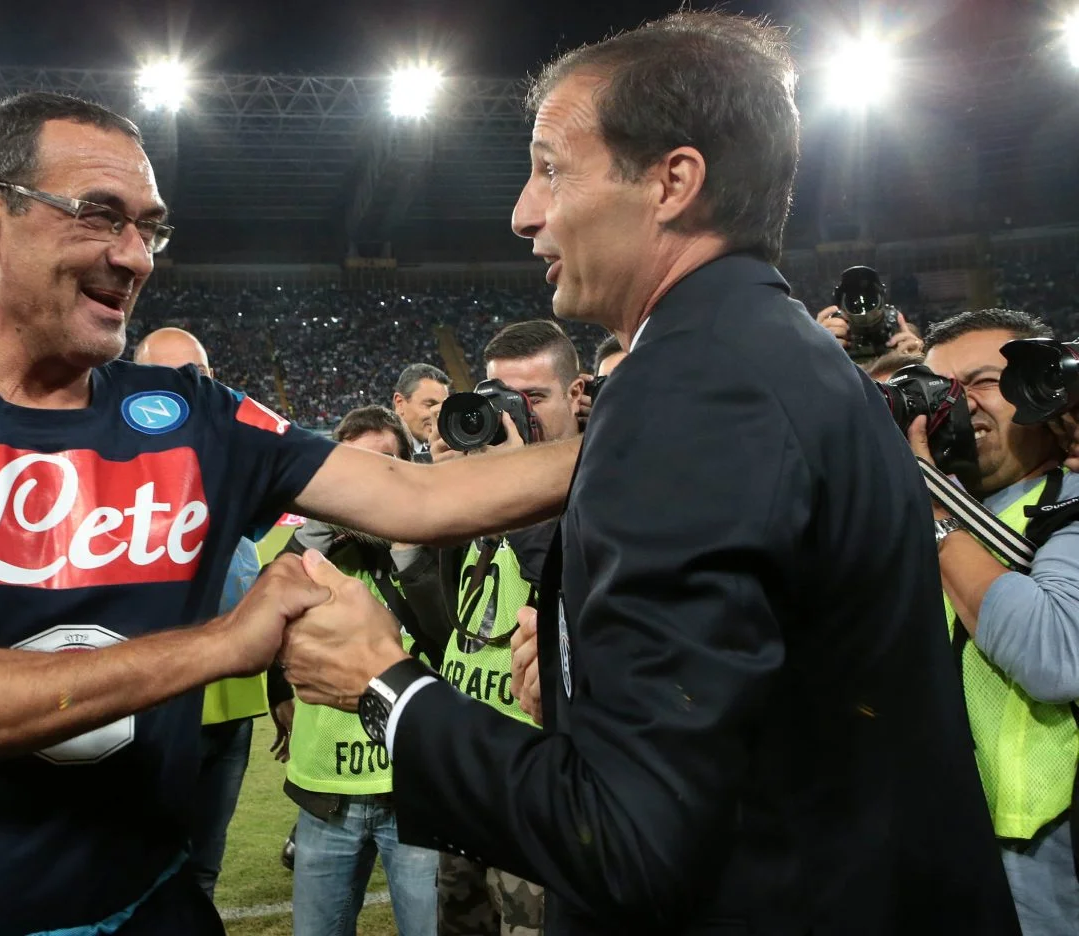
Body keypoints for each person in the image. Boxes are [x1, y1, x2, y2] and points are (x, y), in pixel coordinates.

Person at [278, 12, 1020, 936]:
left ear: (673, 181)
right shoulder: (780, 355)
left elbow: (629, 839)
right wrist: (583, 682)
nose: (523, 212)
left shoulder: (695, 389)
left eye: (551, 168)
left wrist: (384, 684)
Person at [0, 91, 577, 936]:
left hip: (146, 905)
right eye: (101, 215)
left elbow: (419, 496)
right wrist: (224, 644)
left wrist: (651, 432)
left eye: (150, 229)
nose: (135, 257)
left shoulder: (197, 417)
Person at [907, 309, 1079, 934]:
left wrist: (930, 505)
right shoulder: (909, 517)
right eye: (939, 388)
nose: (958, 404)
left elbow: (1051, 654)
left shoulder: (1070, 500)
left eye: (983, 381)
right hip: (941, 838)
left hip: (1044, 853)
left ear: (1045, 395)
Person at [432, 320, 588, 936]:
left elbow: (572, 585)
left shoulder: (598, 481)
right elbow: (440, 605)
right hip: (468, 767)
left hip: (538, 775)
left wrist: (516, 487)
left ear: (575, 392)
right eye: (500, 399)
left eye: (535, 398)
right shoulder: (482, 479)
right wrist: (445, 487)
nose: (515, 416)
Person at [281, 405, 438, 936]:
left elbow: (445, 636)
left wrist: (406, 543)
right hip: (327, 793)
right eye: (356, 468)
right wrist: (316, 529)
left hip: (414, 791)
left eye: (385, 465)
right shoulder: (307, 557)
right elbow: (265, 622)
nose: (370, 485)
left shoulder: (433, 548)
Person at [133, 326, 268, 903]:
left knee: (204, 866)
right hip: (152, 705)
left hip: (233, 701)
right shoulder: (112, 464)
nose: (184, 388)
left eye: (197, 375)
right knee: (141, 868)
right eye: (165, 377)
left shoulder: (236, 456)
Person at [391, 363, 451, 462]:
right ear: (400, 403)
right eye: (430, 405)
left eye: (443, 408)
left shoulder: (438, 452)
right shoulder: (378, 451)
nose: (439, 415)